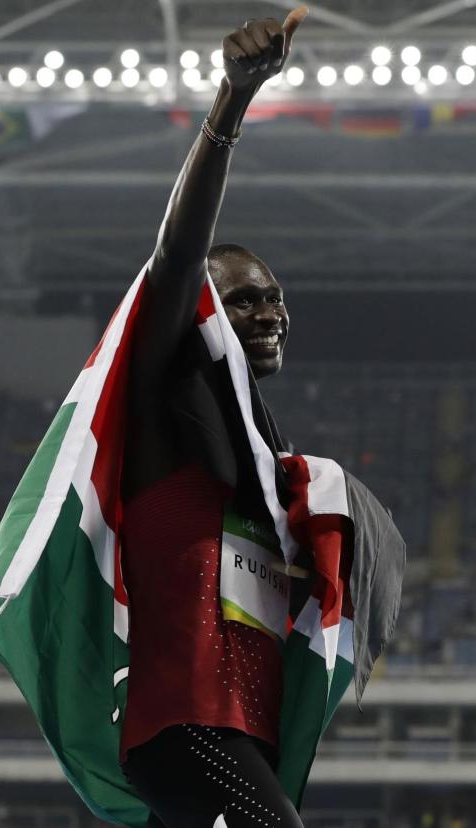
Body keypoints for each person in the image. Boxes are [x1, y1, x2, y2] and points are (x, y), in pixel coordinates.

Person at [117, 7, 310, 827]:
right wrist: (230, 107)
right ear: (203, 315)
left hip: (245, 725)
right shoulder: (166, 400)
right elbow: (176, 258)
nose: (269, 312)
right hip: (188, 719)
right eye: (242, 300)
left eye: (274, 297)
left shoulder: (260, 457)